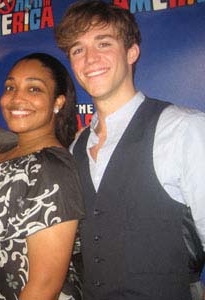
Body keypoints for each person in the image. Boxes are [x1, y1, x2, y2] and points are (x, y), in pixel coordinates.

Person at [55, 1, 205, 299]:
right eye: (78, 50)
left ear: (132, 52)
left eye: (104, 43)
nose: (90, 59)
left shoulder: (183, 129)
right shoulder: (76, 147)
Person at [0, 52, 85, 300]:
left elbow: (45, 285)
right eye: (10, 87)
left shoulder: (51, 168)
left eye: (34, 89)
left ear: (58, 102)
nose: (17, 98)